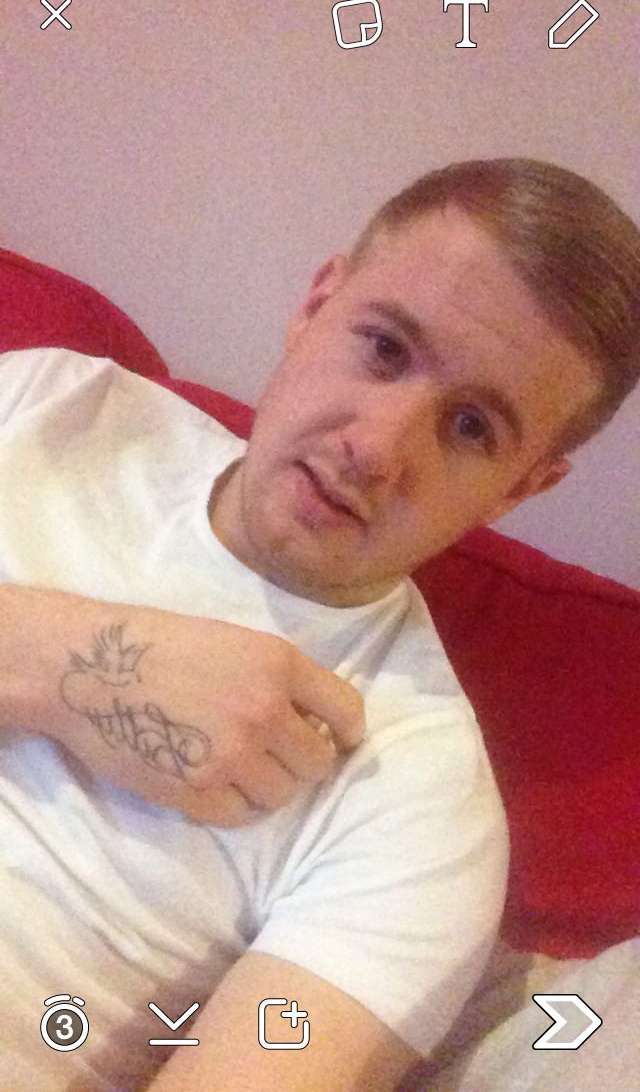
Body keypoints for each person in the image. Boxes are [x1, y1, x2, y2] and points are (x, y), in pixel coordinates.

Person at [0, 157, 638, 1092]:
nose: (376, 448)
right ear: (316, 304)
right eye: (384, 348)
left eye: (470, 427)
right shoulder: (51, 404)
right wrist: (64, 661)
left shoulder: (420, 803)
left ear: (521, 488)